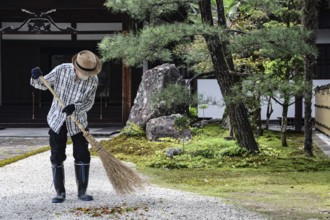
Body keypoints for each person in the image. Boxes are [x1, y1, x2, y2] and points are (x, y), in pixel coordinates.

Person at [30, 50, 102, 203]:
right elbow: (43, 85)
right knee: (57, 155)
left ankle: (82, 192)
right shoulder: (62, 69)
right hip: (57, 118)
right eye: (83, 71)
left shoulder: (93, 80)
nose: (85, 75)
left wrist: (75, 107)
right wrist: (35, 77)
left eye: (88, 73)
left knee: (82, 154)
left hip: (79, 121)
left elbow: (89, 103)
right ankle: (60, 193)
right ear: (76, 66)